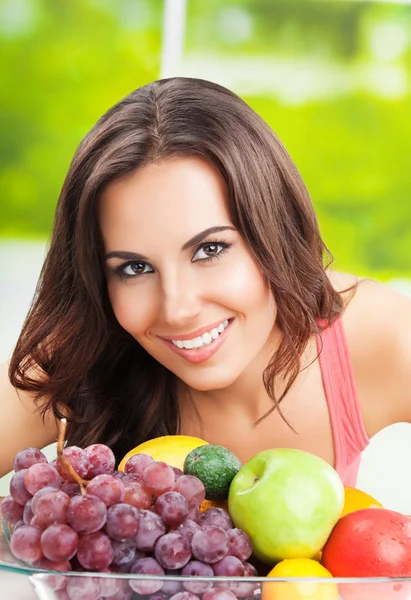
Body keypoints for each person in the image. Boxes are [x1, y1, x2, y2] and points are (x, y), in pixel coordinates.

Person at [0, 77, 410, 487]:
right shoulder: (81, 354)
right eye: (135, 269)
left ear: (274, 231)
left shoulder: (378, 336)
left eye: (209, 250)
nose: (177, 309)